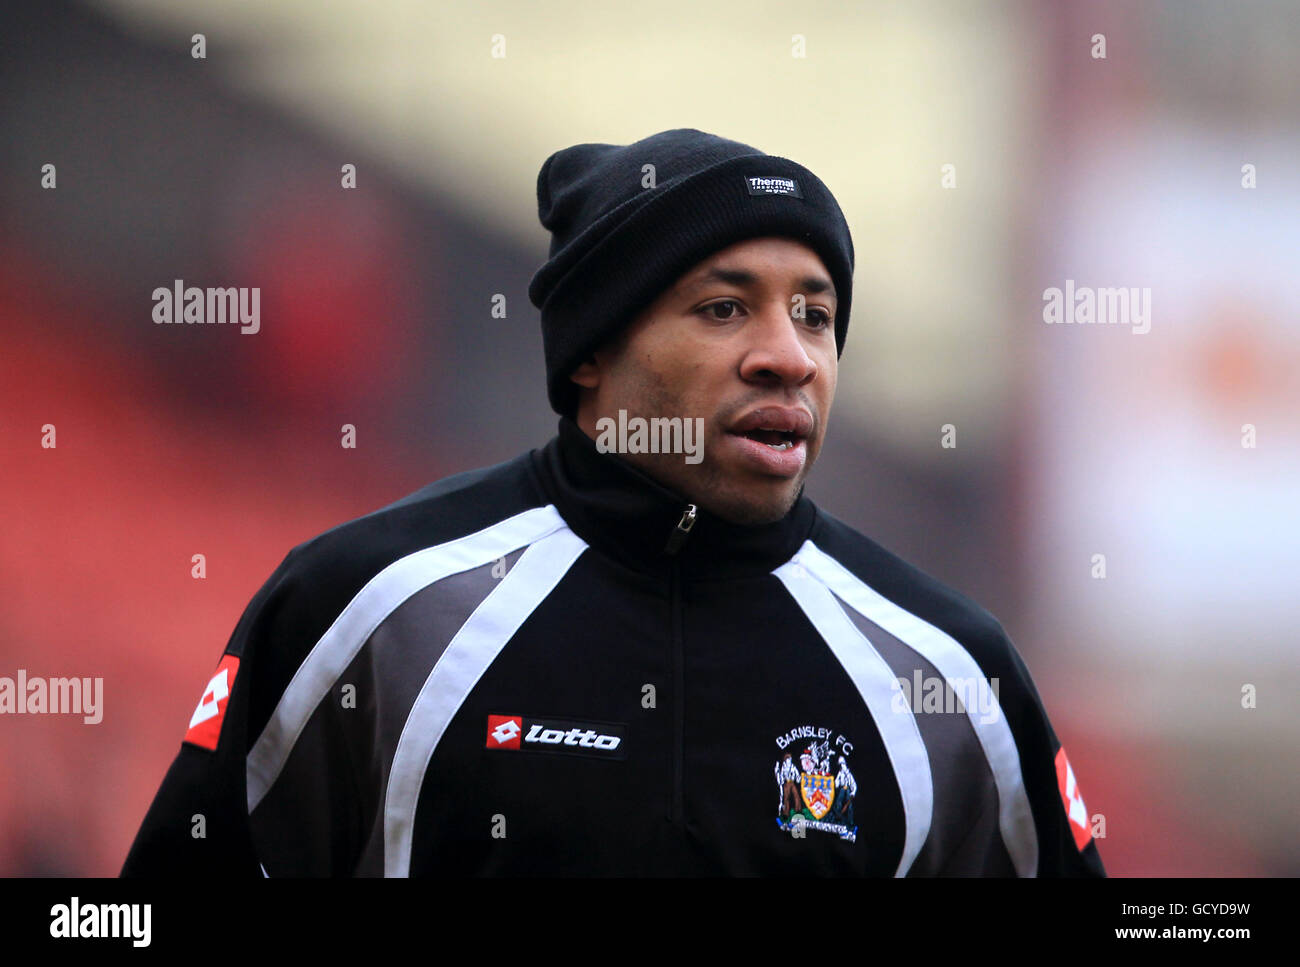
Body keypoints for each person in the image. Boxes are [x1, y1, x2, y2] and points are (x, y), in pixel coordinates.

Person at [121, 128, 1105, 877]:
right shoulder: (370, 607)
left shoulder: (948, 670)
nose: (790, 355)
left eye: (815, 312)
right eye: (725, 308)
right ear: (590, 351)